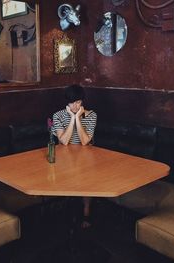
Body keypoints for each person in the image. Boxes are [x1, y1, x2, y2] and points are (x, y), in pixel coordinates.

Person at [52, 84, 97, 228]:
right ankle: (67, 211)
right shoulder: (58, 115)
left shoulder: (92, 115)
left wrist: (78, 118)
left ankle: (86, 210)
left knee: (87, 178)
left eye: (77, 102)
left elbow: (85, 142)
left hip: (85, 156)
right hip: (64, 157)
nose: (74, 106)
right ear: (67, 102)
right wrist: (72, 118)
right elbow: (63, 141)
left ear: (82, 101)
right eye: (71, 103)